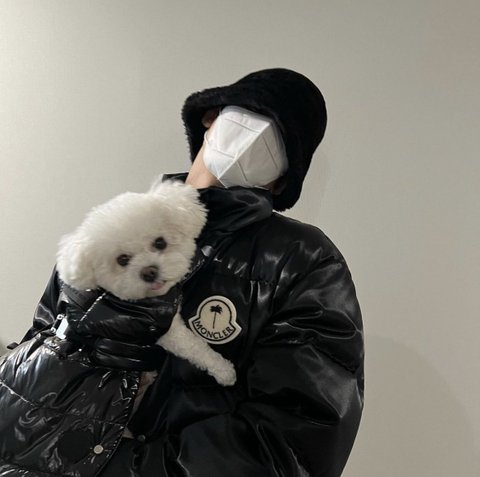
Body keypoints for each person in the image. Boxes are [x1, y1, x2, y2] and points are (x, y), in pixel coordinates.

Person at [9, 68, 364, 476]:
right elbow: (35, 354)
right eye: (250, 116)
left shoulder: (301, 260)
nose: (257, 139)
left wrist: (119, 467)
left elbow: (294, 442)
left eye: (280, 141)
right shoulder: (116, 226)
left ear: (283, 179)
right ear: (210, 118)